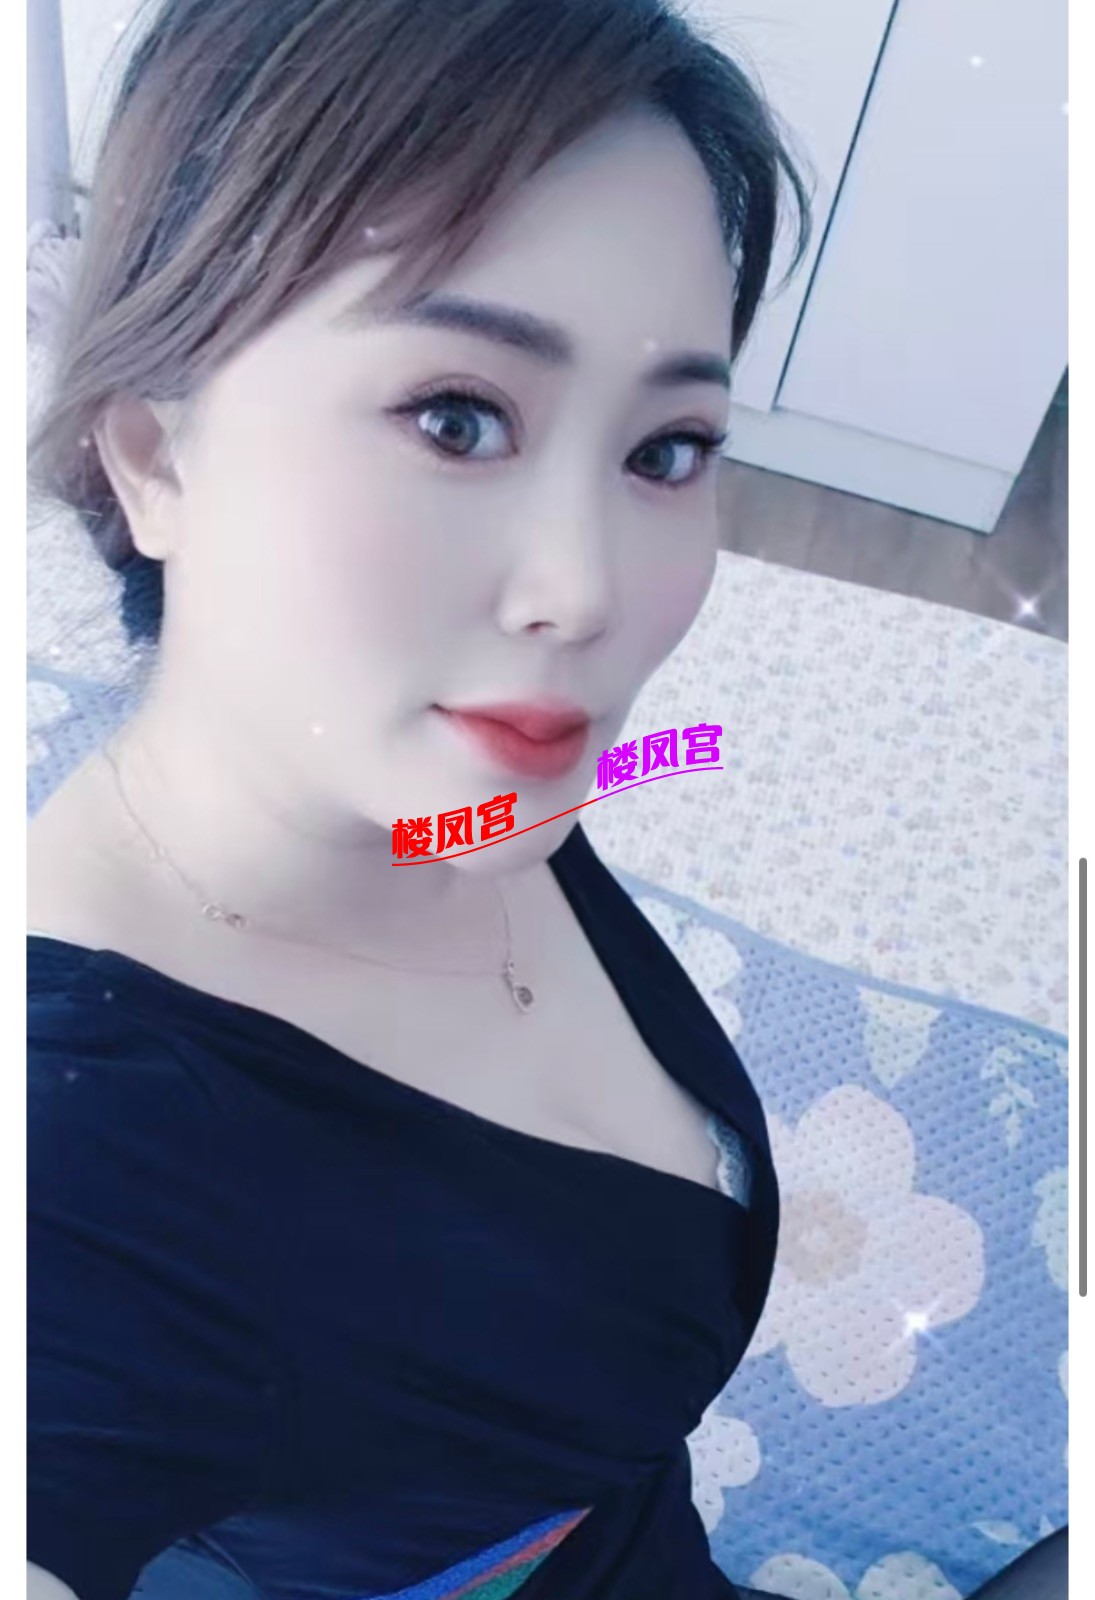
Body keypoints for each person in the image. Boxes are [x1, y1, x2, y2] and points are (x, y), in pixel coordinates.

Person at [26, 0, 814, 1595]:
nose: (587, 592)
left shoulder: (449, 778)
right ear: (152, 458)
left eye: (667, 449)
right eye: (458, 418)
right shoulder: (84, 1161)